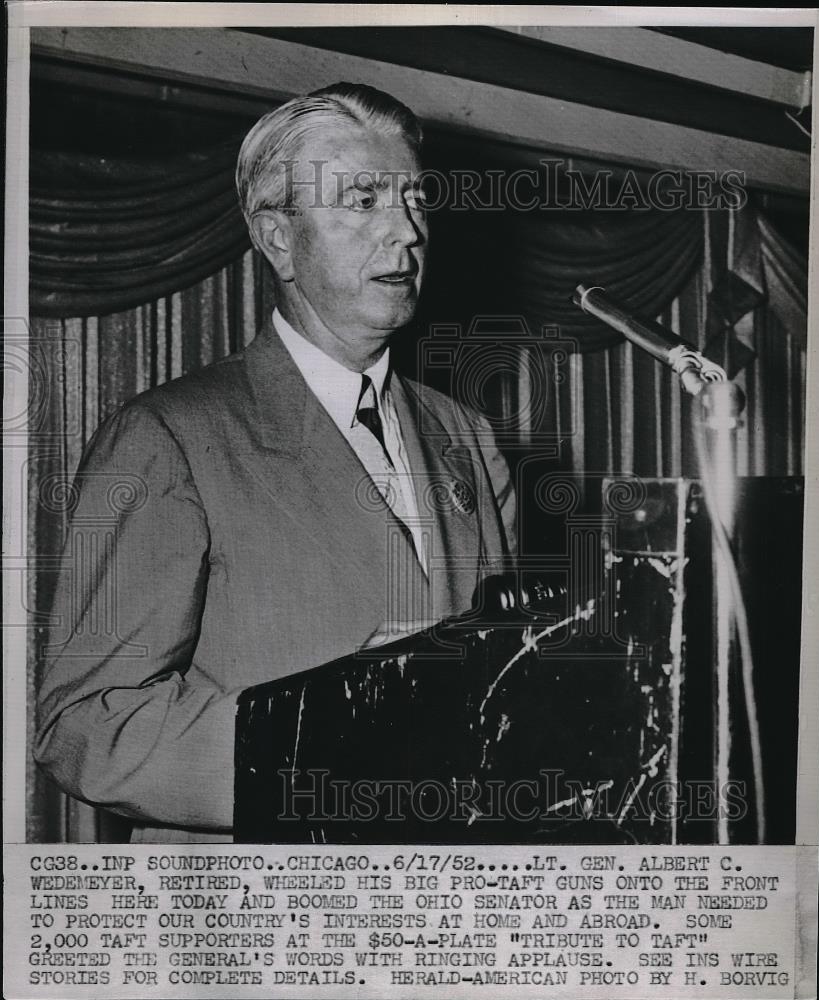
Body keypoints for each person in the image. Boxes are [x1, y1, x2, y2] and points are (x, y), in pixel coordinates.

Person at [34, 83, 516, 843]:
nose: (406, 231)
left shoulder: (468, 437)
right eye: (362, 200)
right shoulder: (170, 436)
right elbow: (87, 728)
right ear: (278, 238)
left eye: (415, 199)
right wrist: (325, 739)